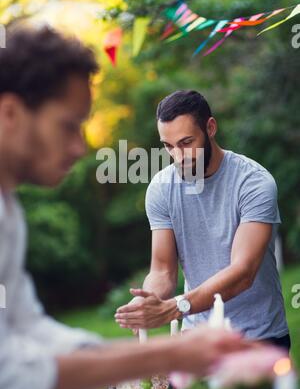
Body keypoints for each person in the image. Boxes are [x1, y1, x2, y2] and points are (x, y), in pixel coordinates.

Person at [0, 27, 248, 389]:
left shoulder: (9, 208)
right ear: (10, 113)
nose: (80, 148)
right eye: (69, 126)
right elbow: (10, 372)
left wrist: (120, 375)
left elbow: (28, 327)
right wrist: (164, 354)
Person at [115, 90, 290, 351]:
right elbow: (163, 270)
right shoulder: (162, 188)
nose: (178, 156)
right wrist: (148, 302)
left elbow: (243, 272)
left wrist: (176, 307)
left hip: (259, 338)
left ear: (210, 128)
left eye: (186, 142)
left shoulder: (254, 183)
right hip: (197, 337)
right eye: (168, 146)